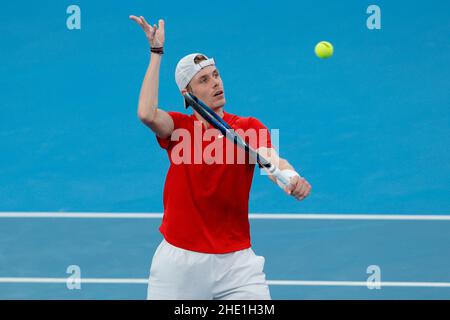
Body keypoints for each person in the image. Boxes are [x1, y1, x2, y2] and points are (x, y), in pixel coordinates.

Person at [130, 15, 312, 300]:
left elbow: (271, 158)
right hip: (179, 265)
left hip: (237, 266)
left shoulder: (248, 127)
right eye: (204, 79)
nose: (215, 83)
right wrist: (156, 53)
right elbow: (146, 114)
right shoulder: (179, 128)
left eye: (216, 75)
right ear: (187, 93)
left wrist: (291, 178)